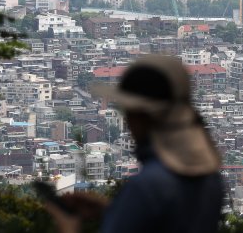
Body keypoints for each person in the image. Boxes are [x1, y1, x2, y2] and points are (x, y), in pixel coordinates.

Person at [47, 55, 224, 233]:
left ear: (140, 116)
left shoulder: (147, 186)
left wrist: (67, 227)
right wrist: (115, 211)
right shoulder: (210, 179)